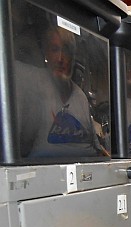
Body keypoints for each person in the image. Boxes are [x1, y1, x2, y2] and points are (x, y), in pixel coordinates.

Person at [17, 23, 107, 158]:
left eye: (65, 51)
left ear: (72, 57)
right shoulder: (32, 81)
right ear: (46, 53)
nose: (60, 58)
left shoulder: (80, 97)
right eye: (54, 49)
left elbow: (96, 147)